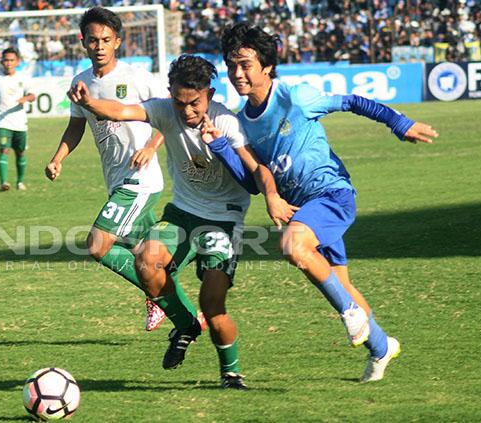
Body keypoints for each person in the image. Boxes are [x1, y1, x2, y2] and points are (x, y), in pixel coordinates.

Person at [214, 23, 439, 382]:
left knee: (292, 245)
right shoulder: (242, 123)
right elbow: (254, 183)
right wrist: (221, 147)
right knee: (343, 286)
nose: (237, 72)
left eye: (245, 64)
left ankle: (350, 314)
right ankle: (382, 347)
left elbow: (352, 101)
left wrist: (399, 123)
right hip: (304, 211)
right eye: (231, 64)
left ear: (267, 65)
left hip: (332, 195)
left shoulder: (296, 97)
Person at [68, 54, 296, 389]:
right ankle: (186, 325)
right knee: (146, 259)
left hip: (224, 220)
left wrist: (273, 197)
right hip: (183, 212)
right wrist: (90, 102)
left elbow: (257, 170)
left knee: (213, 303)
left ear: (210, 95)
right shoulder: (163, 110)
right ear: (170, 94)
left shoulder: (227, 122)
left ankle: (230, 372)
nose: (187, 111)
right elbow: (121, 110)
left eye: (194, 103)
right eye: (179, 102)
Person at [45, 7, 190, 333]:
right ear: (83, 42)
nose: (99, 46)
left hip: (140, 179)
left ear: (118, 42)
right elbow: (75, 126)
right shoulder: (80, 83)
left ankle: (165, 302)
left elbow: (170, 115)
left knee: (98, 245)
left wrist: (150, 147)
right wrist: (58, 158)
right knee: (150, 256)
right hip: (115, 178)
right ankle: (186, 312)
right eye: (93, 40)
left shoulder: (137, 77)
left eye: (106, 40)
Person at [0, 47, 36, 191]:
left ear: (17, 62)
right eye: (6, 60)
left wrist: (25, 98)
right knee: (4, 150)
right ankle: (4, 182)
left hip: (20, 123)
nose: (8, 63)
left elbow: (33, 96)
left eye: (11, 60)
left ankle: (20, 182)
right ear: (2, 61)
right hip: (3, 121)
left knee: (20, 152)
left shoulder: (23, 77)